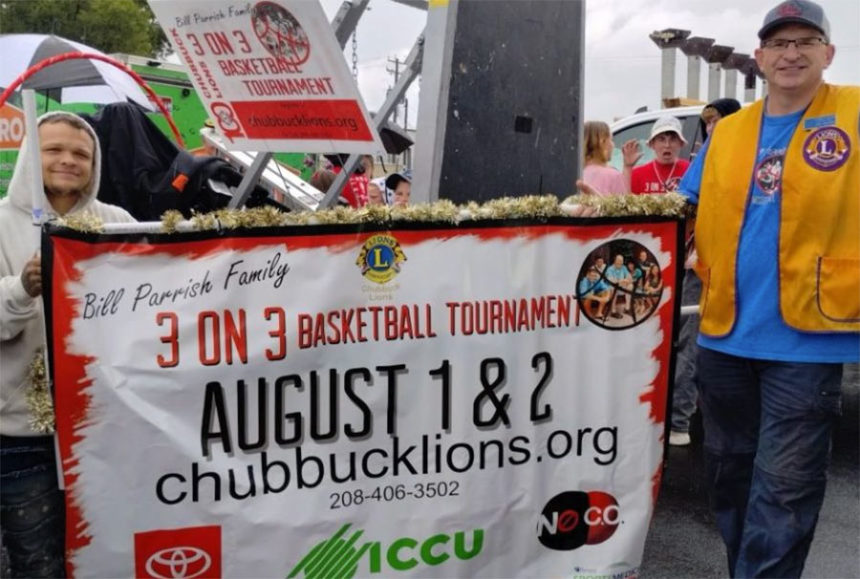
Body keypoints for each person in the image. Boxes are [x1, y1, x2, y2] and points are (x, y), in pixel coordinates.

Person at [679, 1, 859, 576]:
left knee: (783, 493)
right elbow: (683, 207)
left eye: (805, 41)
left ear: (828, 54)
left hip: (807, 341)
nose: (791, 53)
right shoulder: (726, 133)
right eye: (779, 44)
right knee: (730, 482)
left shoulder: (855, 115)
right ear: (759, 57)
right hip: (724, 336)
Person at [0, 111, 135, 577]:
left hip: (104, 428)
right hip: (23, 435)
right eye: (53, 150)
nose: (68, 161)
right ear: (29, 157)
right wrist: (20, 289)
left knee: (108, 552)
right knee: (37, 561)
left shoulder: (116, 221)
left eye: (81, 153)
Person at [670, 98, 742, 448]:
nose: (711, 127)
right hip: (706, 262)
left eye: (716, 119)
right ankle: (686, 417)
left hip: (723, 268)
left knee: (695, 338)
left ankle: (681, 419)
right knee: (694, 337)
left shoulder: (734, 145)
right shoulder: (718, 151)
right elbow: (688, 201)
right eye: (708, 122)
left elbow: (687, 200)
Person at [629, 116, 691, 194]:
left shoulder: (690, 170)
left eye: (673, 139)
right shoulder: (637, 174)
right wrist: (627, 167)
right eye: (662, 139)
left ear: (680, 143)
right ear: (652, 144)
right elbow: (625, 200)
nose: (667, 145)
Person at [580, 121, 641, 195]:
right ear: (602, 142)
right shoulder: (613, 176)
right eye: (611, 140)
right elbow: (624, 203)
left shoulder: (577, 174)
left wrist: (627, 167)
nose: (613, 145)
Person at [603, 254, 633, 319]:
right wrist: (623, 280)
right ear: (615, 260)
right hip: (612, 288)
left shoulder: (623, 267)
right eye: (619, 260)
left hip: (621, 286)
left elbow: (629, 277)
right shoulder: (610, 269)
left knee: (630, 286)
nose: (621, 262)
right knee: (613, 288)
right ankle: (613, 312)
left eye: (622, 261)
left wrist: (627, 280)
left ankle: (627, 309)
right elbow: (612, 281)